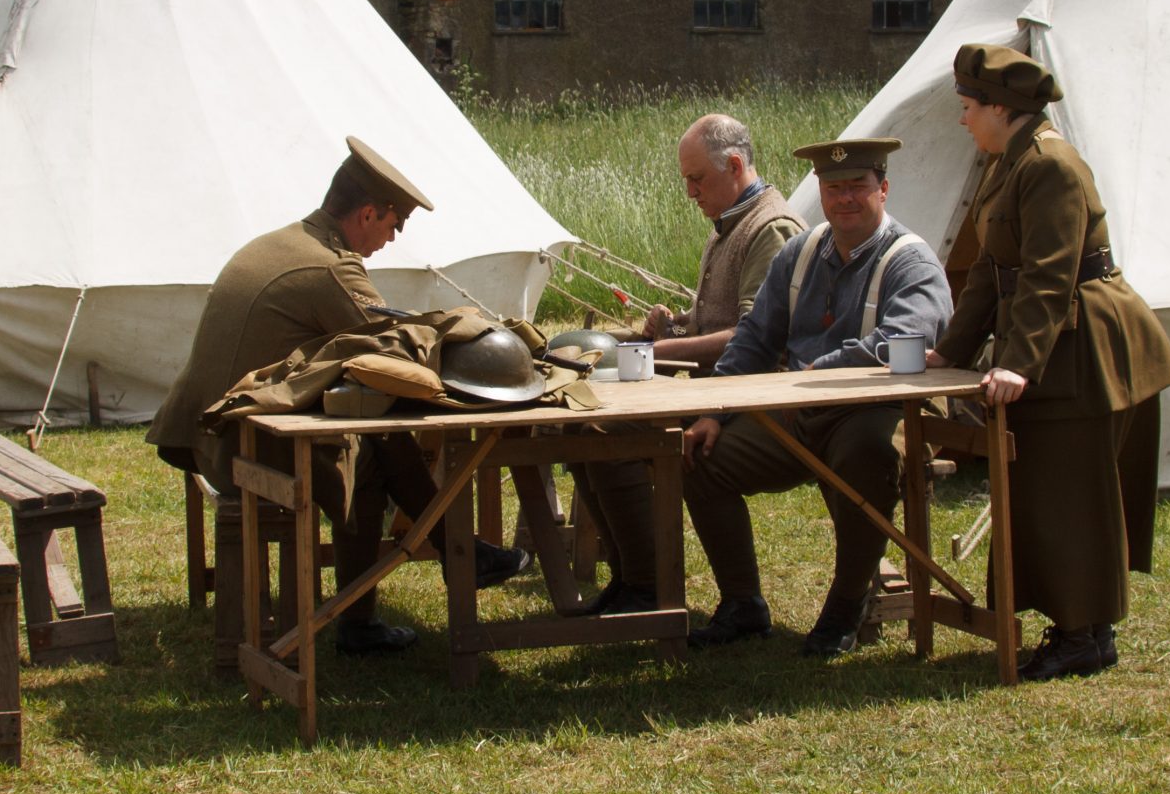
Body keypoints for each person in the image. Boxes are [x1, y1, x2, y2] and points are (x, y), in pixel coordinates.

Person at [146, 136, 530, 654]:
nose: (391, 239)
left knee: (371, 444)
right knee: (373, 451)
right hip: (239, 448)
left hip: (208, 433)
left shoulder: (283, 241)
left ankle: (441, 563)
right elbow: (390, 352)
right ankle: (421, 578)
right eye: (393, 226)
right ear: (369, 214)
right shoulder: (332, 266)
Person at [929, 43, 1170, 682]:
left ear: (999, 107)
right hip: (1057, 347)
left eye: (967, 107)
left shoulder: (1050, 167)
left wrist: (1018, 363)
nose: (963, 120)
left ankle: (1084, 635)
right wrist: (952, 352)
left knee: (1072, 494)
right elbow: (991, 270)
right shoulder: (1007, 163)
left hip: (1087, 346)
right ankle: (1080, 630)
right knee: (1049, 493)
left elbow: (1049, 273)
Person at [680, 136, 952, 655]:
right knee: (700, 455)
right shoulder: (800, 253)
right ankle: (743, 604)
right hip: (804, 408)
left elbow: (902, 342)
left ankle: (845, 609)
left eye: (857, 187)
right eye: (834, 189)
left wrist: (814, 372)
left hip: (883, 409)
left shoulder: (911, 262)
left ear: (884, 189)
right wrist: (715, 410)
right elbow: (753, 339)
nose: (845, 199)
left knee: (866, 455)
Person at [570, 113, 804, 616]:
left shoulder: (771, 228)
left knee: (616, 440)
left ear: (736, 164)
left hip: (752, 397)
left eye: (697, 180)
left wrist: (653, 353)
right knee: (586, 432)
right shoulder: (730, 224)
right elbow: (714, 321)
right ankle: (634, 576)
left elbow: (754, 337)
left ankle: (651, 586)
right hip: (709, 392)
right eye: (687, 181)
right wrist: (674, 326)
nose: (691, 193)